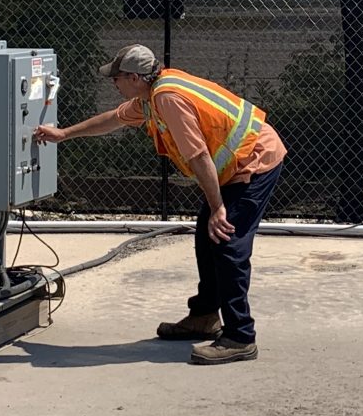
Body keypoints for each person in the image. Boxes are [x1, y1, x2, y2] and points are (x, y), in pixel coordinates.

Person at [34, 44, 286, 365]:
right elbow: (114, 119)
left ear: (137, 78)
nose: (114, 84)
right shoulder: (151, 96)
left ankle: (240, 336)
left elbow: (198, 156)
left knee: (226, 242)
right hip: (238, 161)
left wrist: (218, 207)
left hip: (255, 158)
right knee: (206, 237)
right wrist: (64, 133)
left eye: (118, 78)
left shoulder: (167, 99)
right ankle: (206, 316)